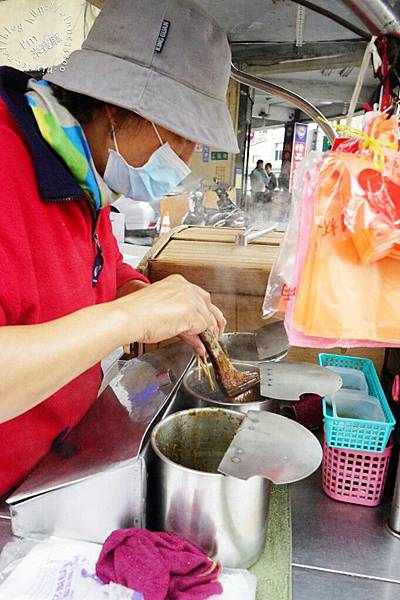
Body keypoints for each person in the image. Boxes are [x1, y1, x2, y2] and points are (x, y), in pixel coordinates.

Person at [0, 0, 239, 496]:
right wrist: (131, 319)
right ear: (116, 105)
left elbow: (97, 270)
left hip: (51, 469)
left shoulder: (81, 172)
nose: (185, 160)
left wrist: (141, 293)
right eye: (180, 136)